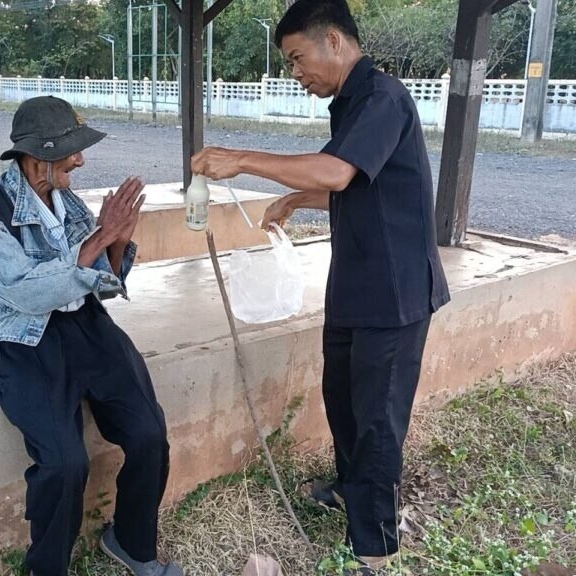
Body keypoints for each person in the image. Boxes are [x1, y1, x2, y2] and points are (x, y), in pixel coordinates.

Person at [190, 0, 450, 572]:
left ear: (333, 40)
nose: (295, 72)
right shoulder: (350, 103)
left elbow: (336, 171)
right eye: (288, 64)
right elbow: (350, 184)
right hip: (355, 285)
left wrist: (242, 160)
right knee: (344, 400)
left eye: (296, 58)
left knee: (378, 419)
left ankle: (375, 547)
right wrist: (293, 199)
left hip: (396, 291)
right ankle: (348, 490)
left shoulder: (384, 97)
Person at [0, 96, 184, 576]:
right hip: (26, 337)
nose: (80, 160)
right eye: (72, 151)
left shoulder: (67, 200)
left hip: (85, 326)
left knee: (149, 432)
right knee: (64, 465)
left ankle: (131, 542)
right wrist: (100, 239)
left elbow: (102, 281)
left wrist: (118, 237)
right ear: (39, 155)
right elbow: (24, 290)